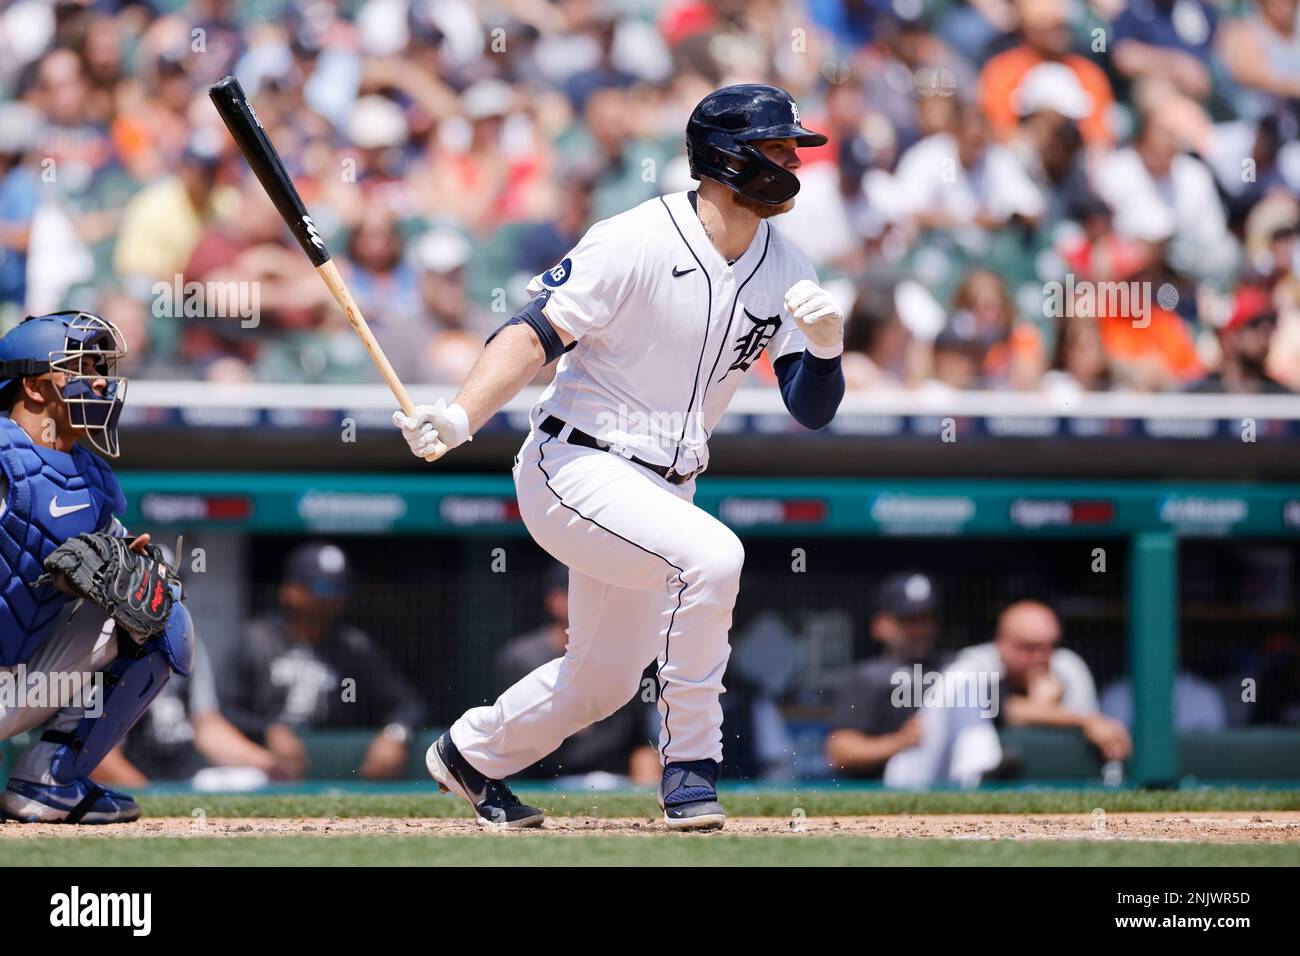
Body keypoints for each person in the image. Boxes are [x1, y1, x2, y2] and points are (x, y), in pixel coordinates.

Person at [393, 84, 846, 830]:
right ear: (728, 158)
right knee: (715, 559)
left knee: (600, 683)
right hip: (575, 465)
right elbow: (535, 330)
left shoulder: (789, 261)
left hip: (668, 489)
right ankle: (692, 768)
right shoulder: (636, 235)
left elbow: (810, 407)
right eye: (778, 147)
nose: (794, 161)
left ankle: (470, 755)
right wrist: (461, 414)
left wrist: (826, 350)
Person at [0, 310, 195, 822]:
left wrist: (126, 564)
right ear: (37, 387)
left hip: (16, 684)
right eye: (83, 366)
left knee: (159, 609)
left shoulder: (92, 477)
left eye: (101, 366)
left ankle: (48, 781)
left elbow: (102, 570)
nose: (101, 380)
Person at [218, 542, 425, 780]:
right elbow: (223, 710)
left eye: (341, 588)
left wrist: (395, 733)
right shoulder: (256, 641)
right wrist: (267, 729)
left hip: (336, 773)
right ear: (289, 590)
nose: (332, 598)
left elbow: (409, 703)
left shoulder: (354, 647)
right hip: (262, 769)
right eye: (322, 587)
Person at [495, 564, 659, 784]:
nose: (592, 602)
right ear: (555, 599)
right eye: (577, 594)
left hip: (616, 782)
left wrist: (645, 792)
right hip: (544, 782)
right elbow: (512, 742)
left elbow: (641, 741)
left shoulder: (626, 656)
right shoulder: (522, 658)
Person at [826, 573, 953, 779]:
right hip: (885, 790)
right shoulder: (868, 678)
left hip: (954, 784)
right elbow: (840, 752)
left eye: (927, 618)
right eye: (909, 620)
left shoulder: (957, 669)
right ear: (881, 625)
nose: (920, 629)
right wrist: (901, 741)